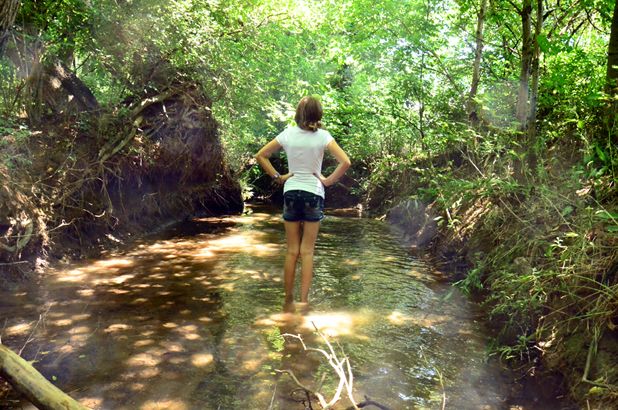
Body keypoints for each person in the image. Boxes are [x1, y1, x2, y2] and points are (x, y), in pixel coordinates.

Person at [255, 96, 351, 304]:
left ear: (298, 114)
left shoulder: (288, 134)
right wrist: (327, 181)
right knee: (306, 252)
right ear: (318, 114)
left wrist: (278, 177)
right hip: (314, 193)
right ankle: (303, 303)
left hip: (291, 192)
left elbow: (261, 155)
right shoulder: (323, 136)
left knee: (291, 251)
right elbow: (345, 162)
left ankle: (287, 301)